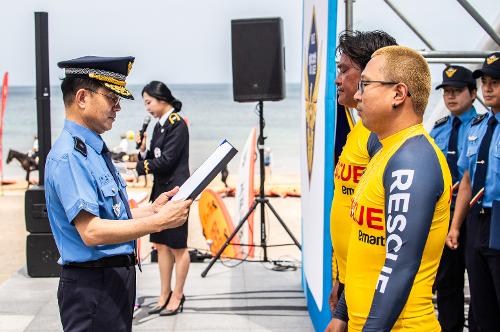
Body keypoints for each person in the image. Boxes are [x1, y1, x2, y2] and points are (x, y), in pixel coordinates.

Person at [44, 56, 192, 331]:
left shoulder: (93, 149)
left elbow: (109, 216)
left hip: (111, 281)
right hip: (93, 286)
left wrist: (153, 210)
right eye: (111, 97)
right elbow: (92, 232)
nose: (118, 107)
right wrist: (159, 223)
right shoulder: (69, 157)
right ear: (82, 98)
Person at [342, 45, 451, 331]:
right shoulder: (384, 150)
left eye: (366, 84)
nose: (357, 94)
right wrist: (343, 312)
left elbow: (399, 263)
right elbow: (363, 245)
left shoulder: (412, 160)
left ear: (399, 94)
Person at [326, 30, 397, 330]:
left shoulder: (381, 139)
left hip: (372, 296)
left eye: (344, 71)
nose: (337, 80)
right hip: (350, 284)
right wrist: (338, 279)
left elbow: (387, 242)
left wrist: (346, 308)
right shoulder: (360, 131)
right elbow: (348, 211)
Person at [446, 51, 500, 331]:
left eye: (496, 82)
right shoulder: (479, 127)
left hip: (498, 216)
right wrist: (456, 226)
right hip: (476, 219)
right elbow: (466, 180)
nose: (488, 88)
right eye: (485, 82)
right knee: (481, 304)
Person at [132, 81, 190, 316]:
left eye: (148, 102)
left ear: (161, 99)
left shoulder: (178, 124)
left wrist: (135, 166)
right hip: (160, 191)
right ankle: (164, 293)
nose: (146, 107)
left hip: (176, 193)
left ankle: (178, 294)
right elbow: (154, 157)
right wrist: (142, 150)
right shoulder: (158, 126)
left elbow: (166, 161)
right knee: (161, 245)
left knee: (178, 246)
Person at [430, 65, 477, 332]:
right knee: (447, 280)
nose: (450, 96)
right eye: (446, 91)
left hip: (475, 210)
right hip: (444, 211)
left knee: (480, 280)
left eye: (457, 91)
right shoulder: (438, 130)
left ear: (473, 93)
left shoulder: (484, 127)